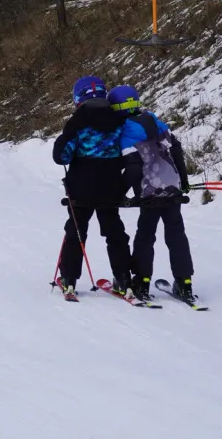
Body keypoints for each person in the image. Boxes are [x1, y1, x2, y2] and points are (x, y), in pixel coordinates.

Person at [53, 75, 142, 297]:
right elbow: (128, 151)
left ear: (78, 96)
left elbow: (62, 157)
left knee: (76, 231)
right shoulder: (118, 119)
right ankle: (124, 279)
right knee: (114, 233)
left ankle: (69, 278)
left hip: (80, 188)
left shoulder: (77, 121)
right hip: (111, 186)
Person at [109, 84, 195, 303]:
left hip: (149, 192)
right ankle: (185, 282)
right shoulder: (156, 121)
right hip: (172, 187)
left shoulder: (126, 132)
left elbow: (134, 168)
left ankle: (142, 281)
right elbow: (176, 150)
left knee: (145, 236)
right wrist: (183, 181)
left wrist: (119, 193)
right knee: (176, 235)